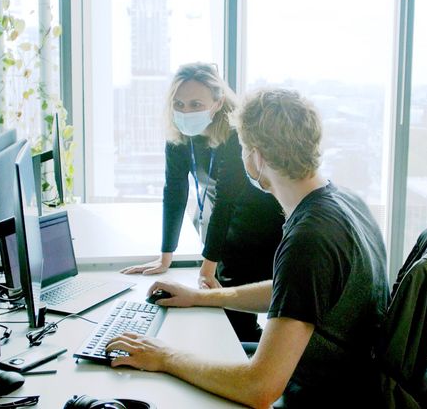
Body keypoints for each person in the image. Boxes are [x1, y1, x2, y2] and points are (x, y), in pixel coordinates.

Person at [107, 88, 390, 408]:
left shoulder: (309, 239)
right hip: (359, 385)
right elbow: (295, 292)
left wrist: (165, 357)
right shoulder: (344, 203)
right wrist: (201, 297)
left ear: (255, 158)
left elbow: (260, 388)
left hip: (318, 398)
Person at [120, 62, 284, 343]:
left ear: (218, 103)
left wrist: (207, 270)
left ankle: (253, 356)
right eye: (179, 103)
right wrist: (165, 256)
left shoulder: (234, 133)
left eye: (196, 104)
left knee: (234, 313)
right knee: (223, 307)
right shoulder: (179, 132)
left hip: (259, 224)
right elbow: (174, 190)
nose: (186, 112)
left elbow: (225, 200)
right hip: (225, 227)